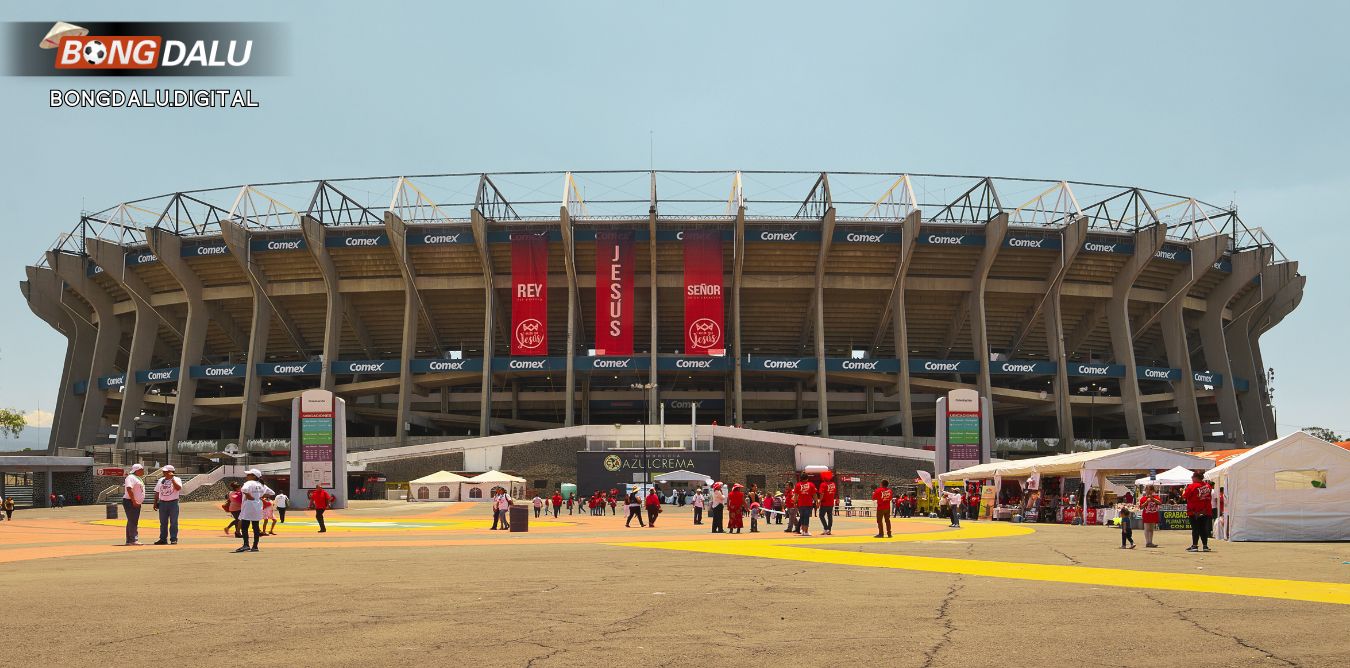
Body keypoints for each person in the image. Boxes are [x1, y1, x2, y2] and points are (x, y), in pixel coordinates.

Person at [234, 469, 272, 553]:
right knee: (255, 527)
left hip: (248, 506)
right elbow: (272, 492)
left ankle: (246, 545)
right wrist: (261, 496)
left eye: (249, 474)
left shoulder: (249, 483)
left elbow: (243, 489)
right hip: (258, 507)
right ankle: (255, 546)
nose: (247, 476)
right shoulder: (262, 485)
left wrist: (248, 495)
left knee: (244, 526)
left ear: (254, 476)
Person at [152, 464, 184, 545]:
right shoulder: (161, 480)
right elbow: (157, 492)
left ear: (171, 472)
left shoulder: (177, 479)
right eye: (164, 471)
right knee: (163, 522)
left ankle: (173, 539)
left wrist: (172, 479)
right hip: (162, 503)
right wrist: (155, 502)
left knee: (173, 522)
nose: (164, 473)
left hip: (173, 503)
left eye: (166, 471)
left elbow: (178, 488)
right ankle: (163, 539)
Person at [1182, 471, 1213, 552]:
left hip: (1194, 511)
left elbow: (1184, 496)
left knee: (1195, 529)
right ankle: (1205, 546)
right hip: (1206, 510)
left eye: (1192, 477)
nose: (1191, 478)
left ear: (1196, 478)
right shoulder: (1208, 486)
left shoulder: (1192, 486)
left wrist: (1184, 490)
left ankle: (1195, 546)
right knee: (1203, 528)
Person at [122, 463, 147, 546]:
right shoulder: (130, 477)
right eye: (142, 469)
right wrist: (134, 501)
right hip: (130, 502)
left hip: (135, 502)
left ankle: (129, 540)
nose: (143, 471)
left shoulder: (138, 478)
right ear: (137, 470)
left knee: (131, 521)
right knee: (133, 521)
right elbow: (129, 489)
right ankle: (133, 540)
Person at [817, 471, 838, 536]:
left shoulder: (823, 484)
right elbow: (834, 493)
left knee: (821, 515)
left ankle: (825, 528)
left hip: (824, 503)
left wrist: (819, 501)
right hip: (831, 503)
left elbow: (822, 494)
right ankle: (829, 529)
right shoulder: (833, 484)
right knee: (830, 517)